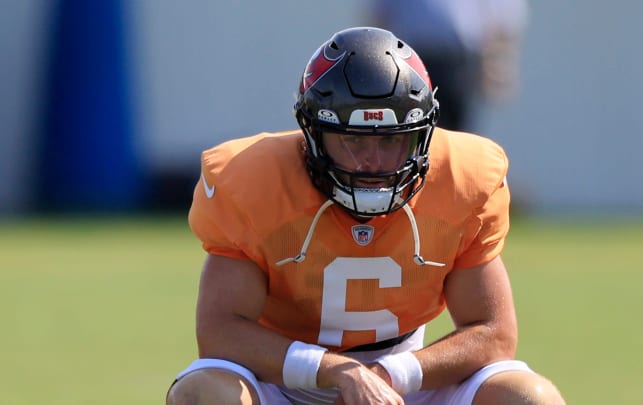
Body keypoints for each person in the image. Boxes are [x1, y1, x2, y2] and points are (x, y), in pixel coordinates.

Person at [166, 27, 565, 405]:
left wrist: (389, 374)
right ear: (312, 136)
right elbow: (220, 331)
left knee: (529, 397)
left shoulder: (463, 179)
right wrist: (336, 370)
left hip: (405, 378)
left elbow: (492, 334)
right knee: (203, 393)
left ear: (422, 135)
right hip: (280, 378)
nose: (373, 162)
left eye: (392, 140)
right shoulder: (253, 183)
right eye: (354, 140)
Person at [365, 0, 529, 131]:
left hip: (461, 65)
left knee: (458, 134)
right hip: (412, 63)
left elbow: (504, 21)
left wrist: (500, 65)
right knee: (414, 125)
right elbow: (380, 18)